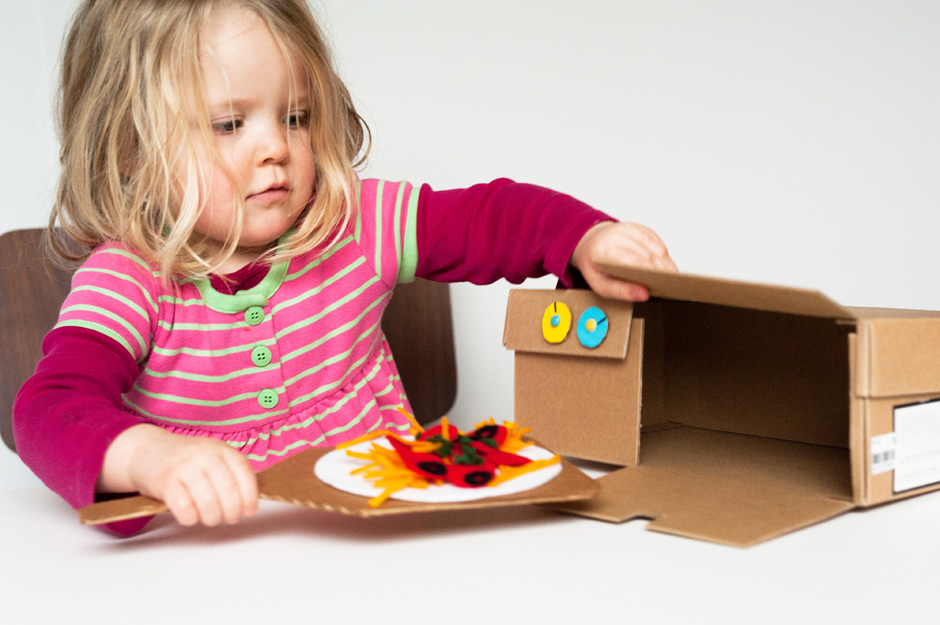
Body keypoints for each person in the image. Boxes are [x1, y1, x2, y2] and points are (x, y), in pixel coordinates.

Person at [13, 0, 677, 535]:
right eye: (228, 124)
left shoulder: (353, 223)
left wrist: (585, 235)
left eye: (296, 115)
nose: (276, 145)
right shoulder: (131, 278)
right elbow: (49, 407)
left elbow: (490, 218)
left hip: (386, 538)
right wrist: (146, 456)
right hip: (210, 559)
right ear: (130, 150)